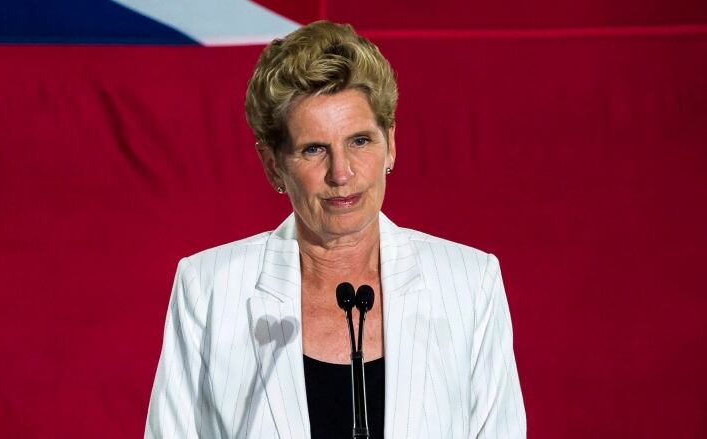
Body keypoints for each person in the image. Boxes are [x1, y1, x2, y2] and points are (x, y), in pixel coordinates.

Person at [145, 20, 525, 439]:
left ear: (390, 144)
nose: (341, 173)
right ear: (274, 163)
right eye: (313, 149)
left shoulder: (469, 283)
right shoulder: (208, 288)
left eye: (360, 141)